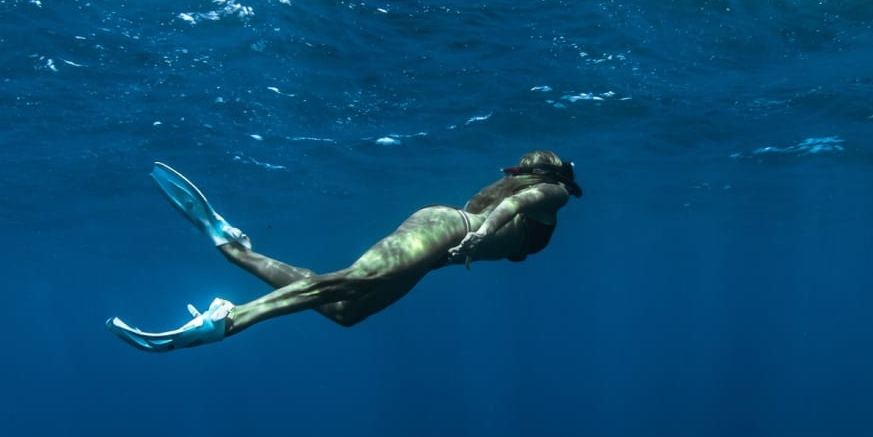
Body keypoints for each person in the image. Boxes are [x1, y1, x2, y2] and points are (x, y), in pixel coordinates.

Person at [107, 150, 582, 352]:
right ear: (559, 176)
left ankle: (232, 247)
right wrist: (485, 232)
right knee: (355, 280)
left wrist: (481, 233)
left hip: (438, 244)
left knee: (344, 311)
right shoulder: (555, 194)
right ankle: (228, 320)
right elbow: (522, 201)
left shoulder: (515, 189)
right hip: (446, 230)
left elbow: (515, 198)